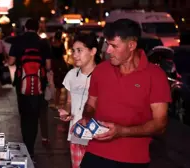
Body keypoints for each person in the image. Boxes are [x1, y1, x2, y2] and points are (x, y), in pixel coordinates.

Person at [77, 19, 171, 168]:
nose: (108, 51)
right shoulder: (101, 70)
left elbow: (160, 124)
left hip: (132, 159)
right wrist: (86, 118)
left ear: (131, 45)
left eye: (114, 46)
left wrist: (122, 131)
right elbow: (90, 104)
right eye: (108, 44)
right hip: (95, 153)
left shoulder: (155, 75)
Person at [8, 18, 52, 157]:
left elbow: (11, 62)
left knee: (24, 115)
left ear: (25, 28)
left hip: (22, 83)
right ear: (38, 29)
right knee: (34, 116)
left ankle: (26, 144)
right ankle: (30, 147)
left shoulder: (18, 41)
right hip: (39, 85)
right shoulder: (43, 42)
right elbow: (49, 66)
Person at [58, 33, 101, 168]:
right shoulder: (71, 74)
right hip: (76, 134)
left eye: (80, 51)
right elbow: (70, 101)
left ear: (93, 51)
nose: (75, 55)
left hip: (97, 136)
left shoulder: (103, 75)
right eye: (73, 51)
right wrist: (66, 111)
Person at [51, 31, 68, 109]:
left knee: (55, 85)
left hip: (53, 64)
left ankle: (55, 102)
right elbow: (64, 53)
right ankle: (59, 103)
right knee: (59, 86)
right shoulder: (61, 44)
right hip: (61, 64)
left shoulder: (51, 44)